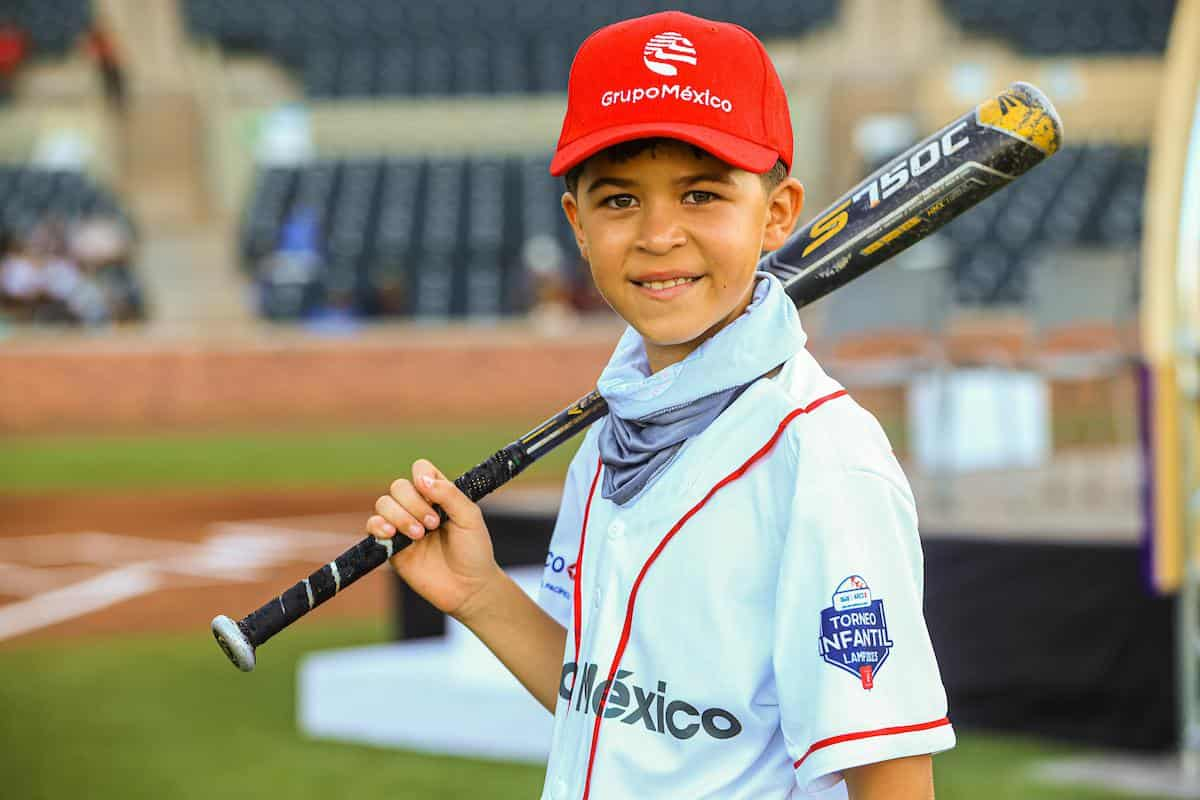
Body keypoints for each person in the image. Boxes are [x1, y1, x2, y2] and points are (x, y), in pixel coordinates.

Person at [367, 11, 954, 799]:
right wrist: (479, 594)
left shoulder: (823, 463)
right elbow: (616, 711)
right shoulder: (611, 440)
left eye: (702, 193)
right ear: (576, 223)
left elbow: (891, 781)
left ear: (777, 213)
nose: (659, 234)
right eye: (618, 201)